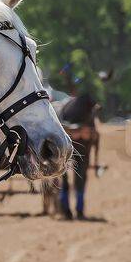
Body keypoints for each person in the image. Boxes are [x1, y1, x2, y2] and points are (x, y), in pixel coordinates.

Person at [57, 90, 100, 220]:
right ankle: (74, 209)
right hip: (75, 151)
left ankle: (71, 209)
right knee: (73, 178)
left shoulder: (70, 111)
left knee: (72, 178)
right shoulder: (87, 117)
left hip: (79, 150)